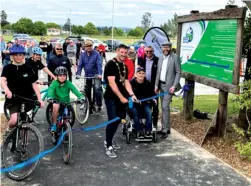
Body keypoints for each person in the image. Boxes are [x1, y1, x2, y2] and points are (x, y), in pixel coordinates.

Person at [103, 44, 137, 158]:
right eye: (121, 52)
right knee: (113, 120)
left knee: (119, 120)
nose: (123, 54)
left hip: (122, 98)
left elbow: (126, 81)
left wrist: (131, 94)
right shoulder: (110, 64)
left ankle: (109, 139)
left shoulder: (124, 66)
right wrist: (121, 97)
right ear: (117, 51)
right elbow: (112, 83)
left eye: (125, 53)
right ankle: (108, 146)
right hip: (111, 97)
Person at [1, 44, 44, 131]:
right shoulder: (7, 68)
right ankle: (8, 130)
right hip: (13, 98)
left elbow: (34, 84)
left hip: (28, 98)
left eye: (20, 55)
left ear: (24, 55)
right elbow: (2, 80)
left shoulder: (28, 68)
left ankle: (25, 142)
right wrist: (6, 89)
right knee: (14, 120)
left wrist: (39, 99)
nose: (18, 57)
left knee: (26, 122)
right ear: (12, 56)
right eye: (15, 55)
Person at [155, 42, 181, 139]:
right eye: (164, 47)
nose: (165, 49)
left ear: (170, 48)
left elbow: (178, 72)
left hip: (169, 86)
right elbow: (158, 72)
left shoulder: (175, 57)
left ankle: (165, 129)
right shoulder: (160, 58)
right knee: (163, 107)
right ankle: (165, 127)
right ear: (162, 48)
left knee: (165, 107)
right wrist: (156, 85)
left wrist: (174, 86)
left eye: (167, 47)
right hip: (161, 86)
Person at [48, 66, 84, 133]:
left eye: (64, 76)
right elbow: (51, 90)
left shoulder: (68, 83)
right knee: (55, 106)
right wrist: (50, 97)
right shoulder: (54, 83)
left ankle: (67, 128)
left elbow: (74, 90)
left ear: (66, 76)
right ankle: (54, 124)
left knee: (66, 118)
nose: (62, 77)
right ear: (57, 76)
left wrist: (81, 97)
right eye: (60, 75)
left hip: (66, 102)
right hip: (56, 100)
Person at [76, 40, 103, 114]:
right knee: (87, 91)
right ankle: (90, 105)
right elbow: (80, 65)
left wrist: (100, 74)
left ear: (92, 46)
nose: (89, 47)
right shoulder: (82, 55)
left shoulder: (96, 54)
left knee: (97, 89)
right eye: (87, 46)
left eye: (90, 46)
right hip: (87, 76)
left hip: (96, 75)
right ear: (85, 47)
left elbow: (99, 64)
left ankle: (99, 105)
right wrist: (78, 74)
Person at [130, 67, 156, 138]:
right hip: (133, 102)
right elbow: (127, 94)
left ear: (144, 75)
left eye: (143, 73)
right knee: (135, 112)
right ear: (136, 74)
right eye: (139, 73)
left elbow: (152, 94)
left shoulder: (148, 84)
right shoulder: (131, 83)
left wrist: (153, 99)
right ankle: (139, 131)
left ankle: (148, 130)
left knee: (149, 112)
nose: (141, 75)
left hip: (145, 102)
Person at [140, 45, 159, 127]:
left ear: (153, 51)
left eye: (150, 51)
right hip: (144, 86)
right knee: (143, 103)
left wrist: (157, 85)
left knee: (155, 105)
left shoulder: (157, 60)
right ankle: (144, 121)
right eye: (147, 51)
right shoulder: (142, 60)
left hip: (154, 86)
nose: (148, 53)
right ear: (145, 52)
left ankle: (154, 123)